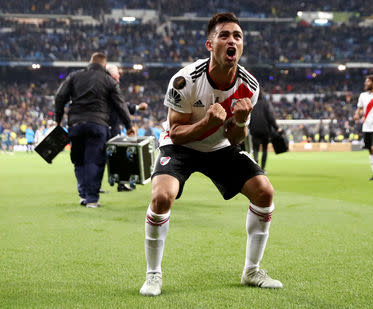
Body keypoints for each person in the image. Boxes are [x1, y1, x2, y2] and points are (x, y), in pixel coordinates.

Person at [140, 12, 282, 297]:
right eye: (224, 35)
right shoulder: (185, 80)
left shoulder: (250, 86)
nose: (232, 40)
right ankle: (153, 275)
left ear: (242, 46)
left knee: (264, 192)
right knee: (161, 196)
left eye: (237, 36)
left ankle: (251, 270)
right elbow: (176, 131)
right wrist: (207, 124)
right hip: (180, 147)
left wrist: (241, 122)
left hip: (220, 147)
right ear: (210, 44)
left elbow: (236, 138)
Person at [54, 52, 135, 208]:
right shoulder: (108, 80)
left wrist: (58, 120)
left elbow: (60, 96)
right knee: (94, 161)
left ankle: (83, 194)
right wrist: (129, 126)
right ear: (104, 65)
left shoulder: (74, 76)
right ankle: (91, 199)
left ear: (90, 62)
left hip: (75, 125)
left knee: (79, 160)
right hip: (98, 125)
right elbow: (120, 104)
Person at [106, 63, 148, 192]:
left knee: (99, 159)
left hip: (103, 126)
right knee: (118, 157)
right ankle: (121, 184)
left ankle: (94, 189)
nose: (119, 77)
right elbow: (121, 105)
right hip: (111, 127)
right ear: (113, 76)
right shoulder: (110, 87)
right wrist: (136, 109)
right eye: (117, 74)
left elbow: (121, 104)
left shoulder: (100, 87)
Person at [249, 95, 280, 172]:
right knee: (264, 150)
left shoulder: (252, 102)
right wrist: (277, 128)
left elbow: (248, 116)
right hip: (265, 130)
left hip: (254, 129)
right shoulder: (266, 103)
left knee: (255, 149)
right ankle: (262, 169)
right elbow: (270, 117)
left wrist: (249, 127)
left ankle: (255, 168)